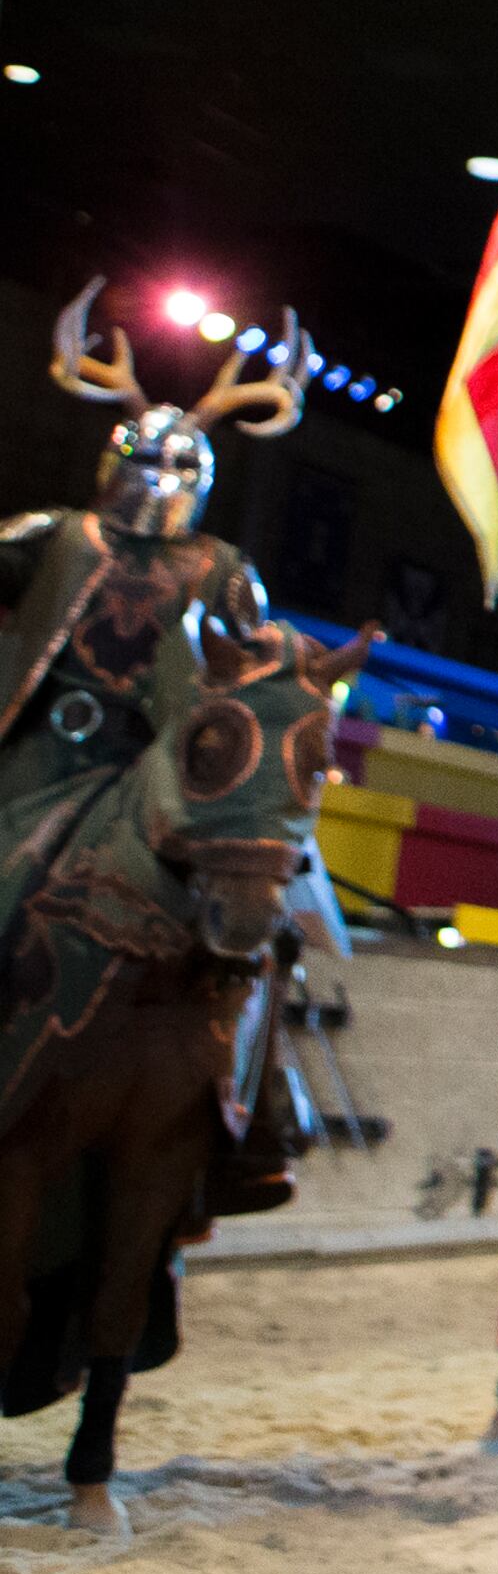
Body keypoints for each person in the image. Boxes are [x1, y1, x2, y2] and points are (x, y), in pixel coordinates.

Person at [4, 279, 307, 1215]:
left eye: (184, 469)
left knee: (265, 934)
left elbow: (252, 669)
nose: (164, 483)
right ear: (115, 459)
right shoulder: (58, 535)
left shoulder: (220, 567)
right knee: (7, 882)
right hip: (43, 762)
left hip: (167, 775)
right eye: (151, 462)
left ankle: (251, 1129)